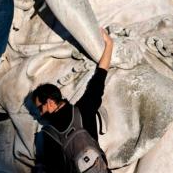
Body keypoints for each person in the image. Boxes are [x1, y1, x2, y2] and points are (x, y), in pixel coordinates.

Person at [32, 29, 114, 173]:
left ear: (50, 102)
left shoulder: (49, 134)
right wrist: (109, 45)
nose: (39, 114)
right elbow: (100, 76)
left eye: (40, 108)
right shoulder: (83, 108)